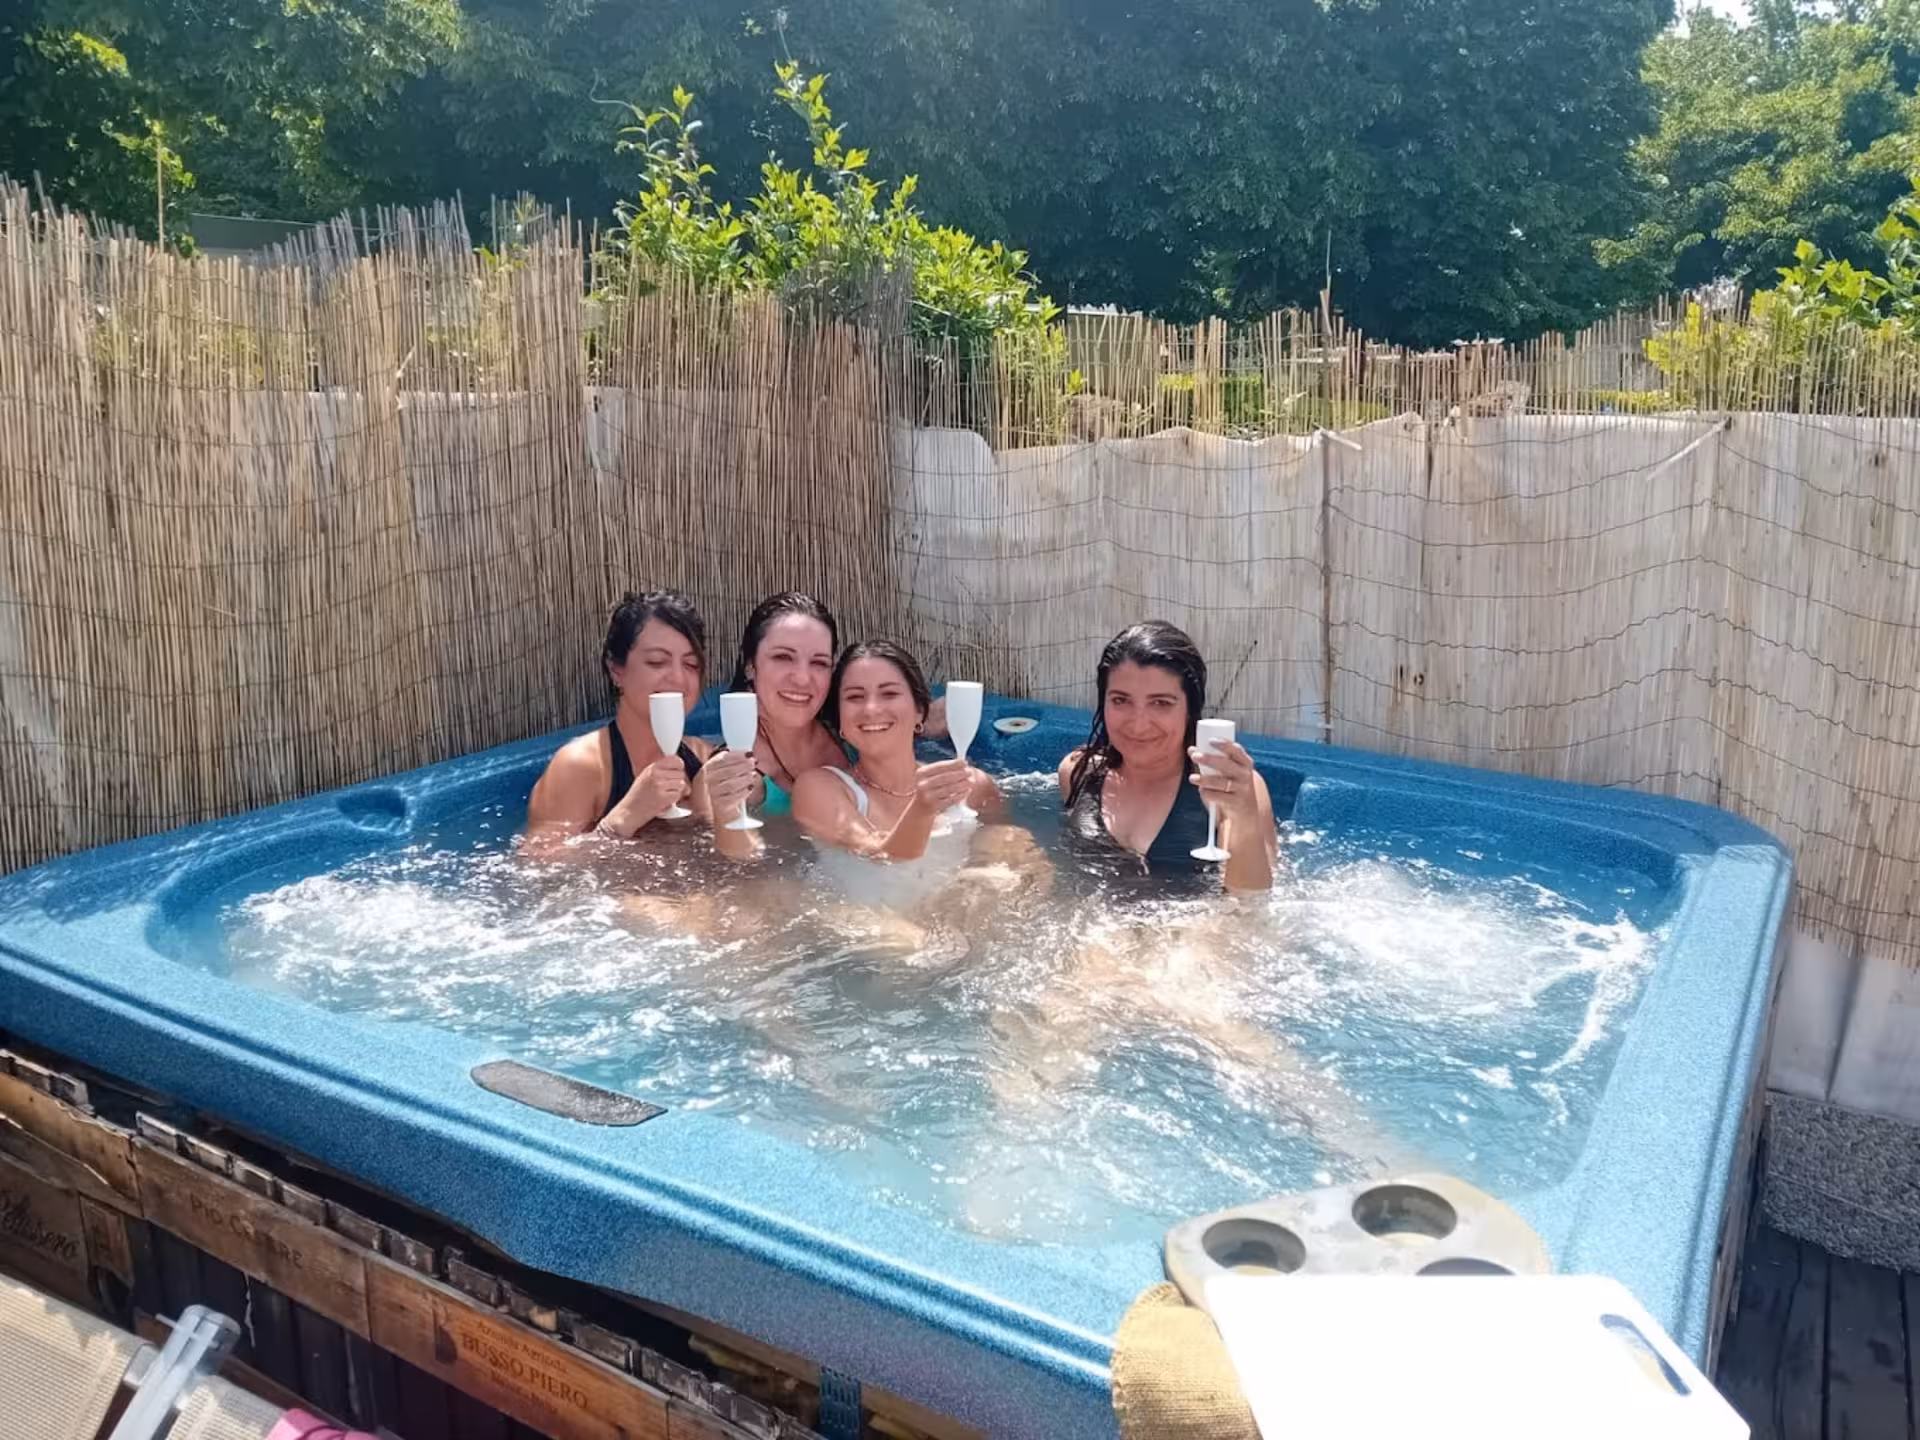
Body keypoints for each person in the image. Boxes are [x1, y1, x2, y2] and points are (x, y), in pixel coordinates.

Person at [522, 590, 757, 858]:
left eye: (691, 664)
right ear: (616, 670)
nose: (678, 678)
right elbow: (537, 870)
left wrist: (719, 812)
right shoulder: (581, 767)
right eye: (657, 662)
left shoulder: (704, 758)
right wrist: (622, 818)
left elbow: (742, 865)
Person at [791, 641, 1010, 914]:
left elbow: (1003, 848)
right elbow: (880, 854)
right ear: (840, 720)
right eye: (855, 697)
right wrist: (922, 808)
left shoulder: (973, 787)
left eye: (889, 693)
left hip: (949, 918)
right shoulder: (820, 787)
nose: (871, 709)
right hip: (863, 927)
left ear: (920, 711)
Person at [1059, 621, 1278, 893]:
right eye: (1120, 700)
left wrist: (1244, 814)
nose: (1138, 725)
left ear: (1189, 709)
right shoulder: (1078, 772)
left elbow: (1252, 905)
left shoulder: (1230, 789)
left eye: (1160, 703)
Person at [730, 593, 851, 818]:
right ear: (750, 666)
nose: (803, 678)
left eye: (819, 662)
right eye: (783, 657)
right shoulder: (733, 779)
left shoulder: (855, 736)